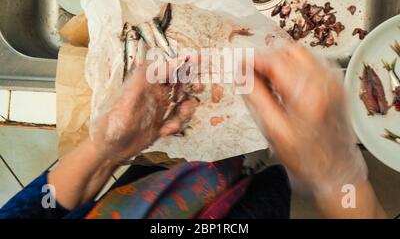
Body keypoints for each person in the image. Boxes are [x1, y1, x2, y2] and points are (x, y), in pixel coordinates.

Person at [0, 45, 386, 219]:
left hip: (147, 199)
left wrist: (107, 148)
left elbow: (38, 209)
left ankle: (242, 170)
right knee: (271, 191)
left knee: (218, 168)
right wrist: (337, 179)